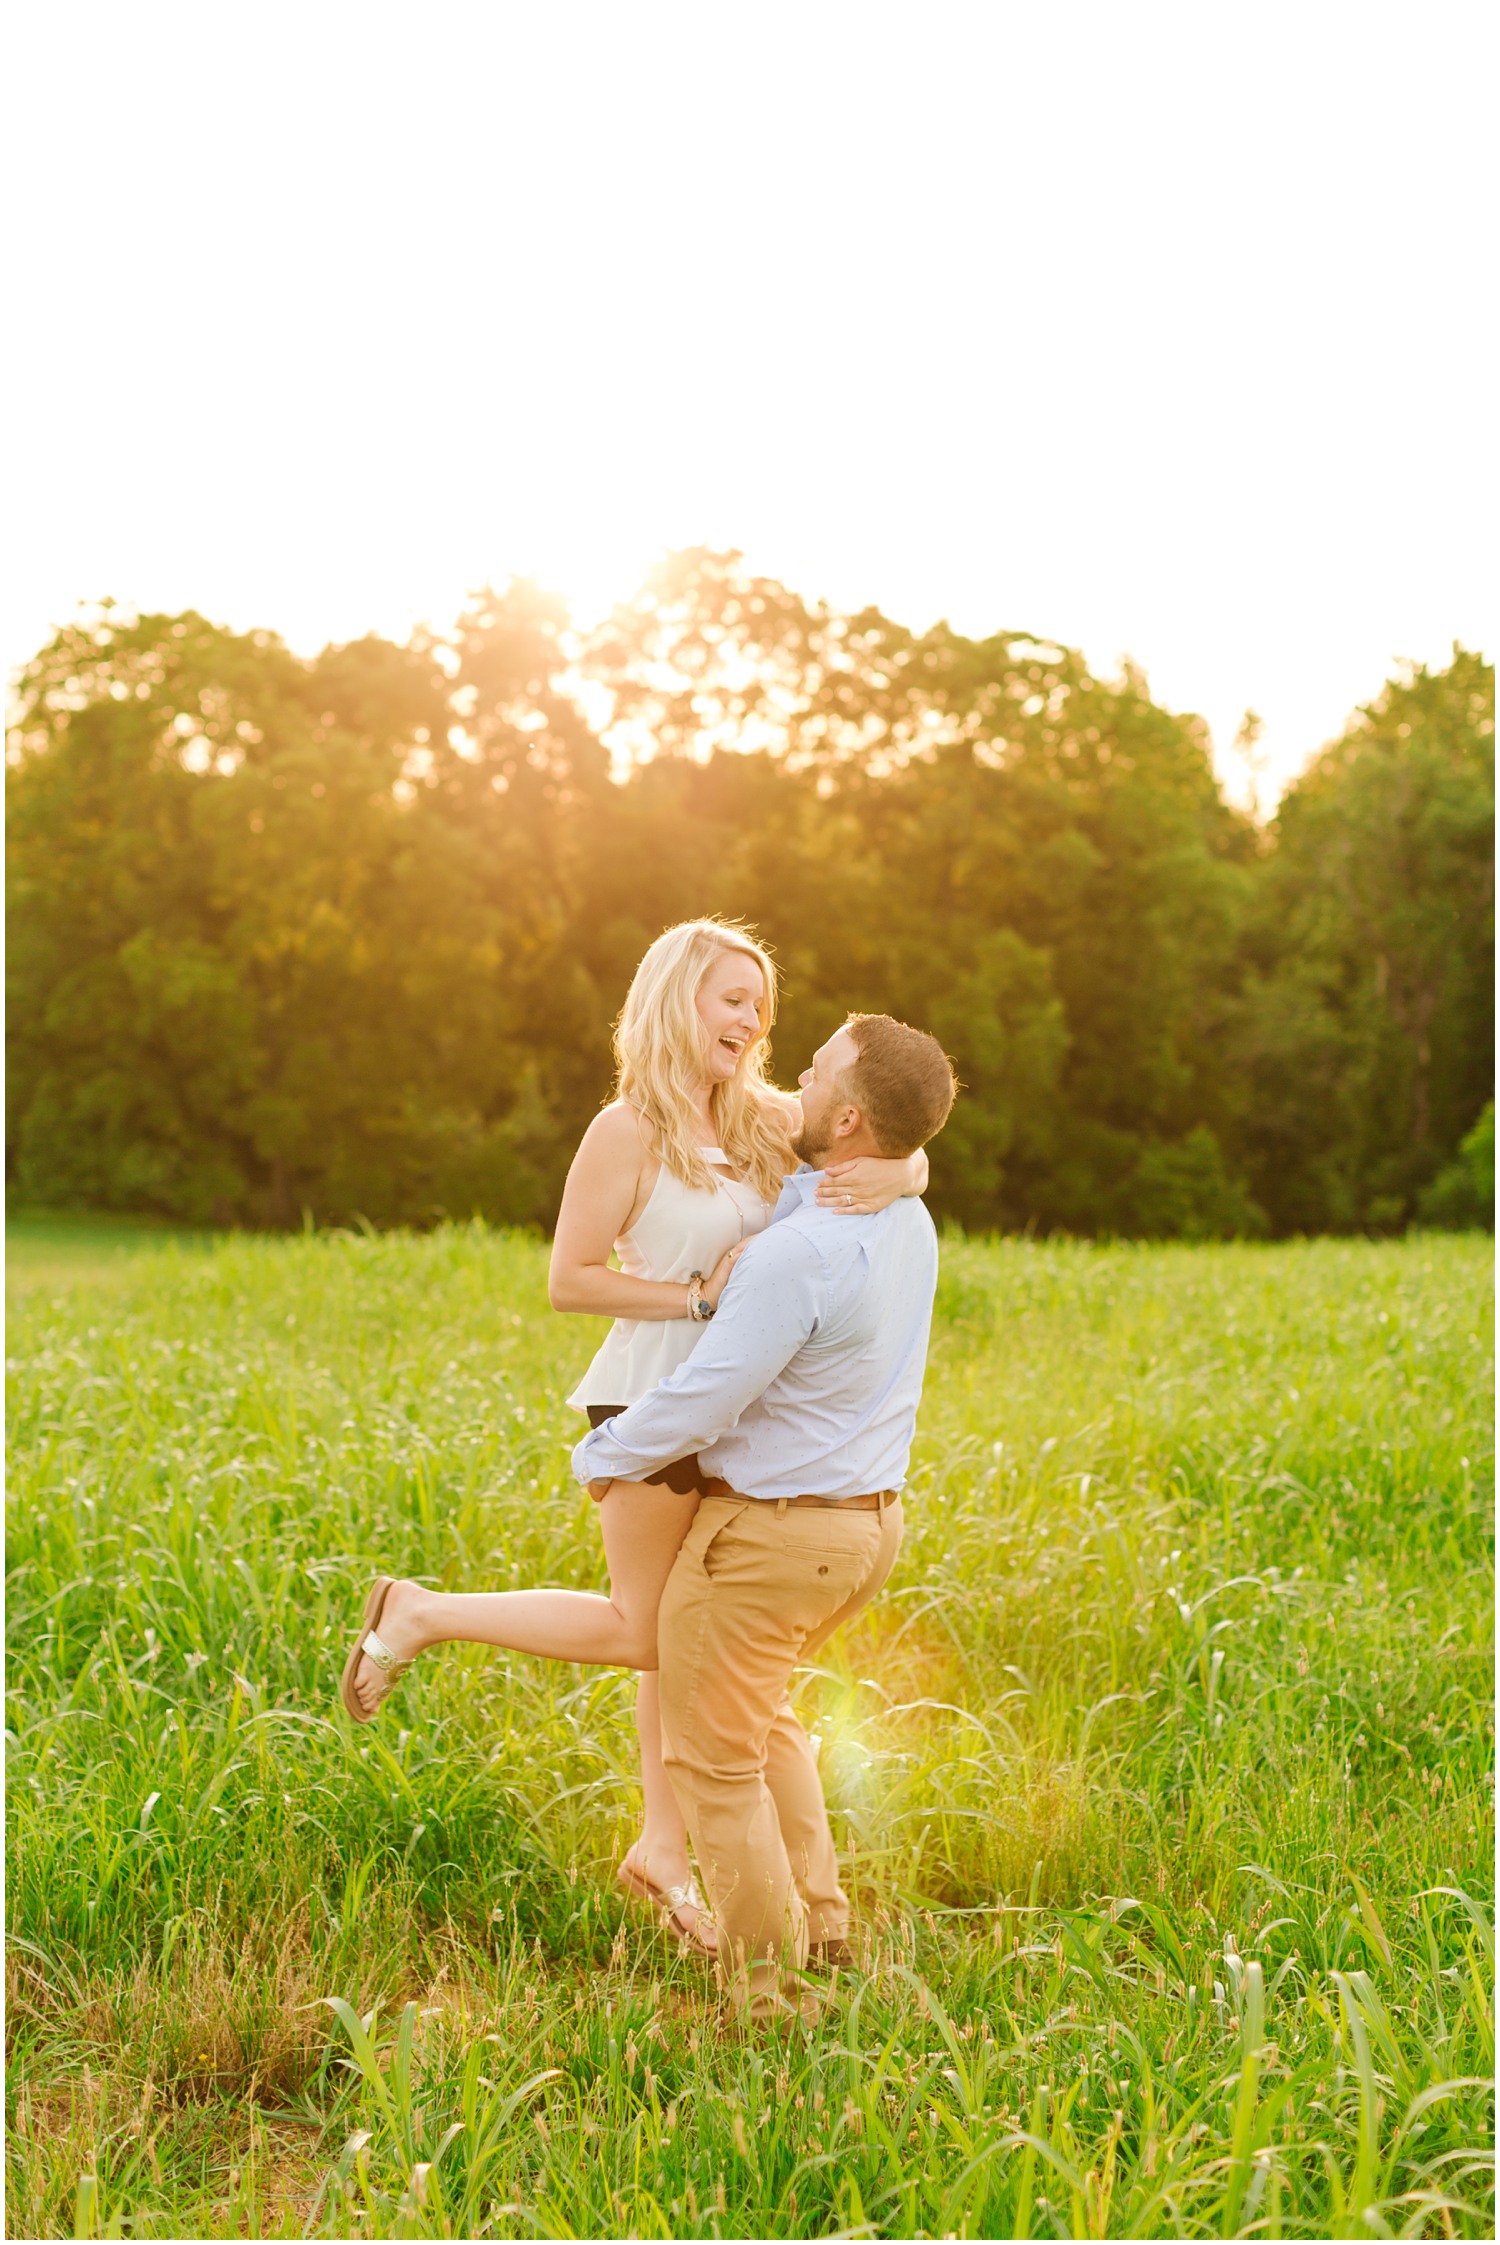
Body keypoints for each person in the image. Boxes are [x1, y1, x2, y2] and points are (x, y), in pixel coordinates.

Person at [339, 920, 926, 1953]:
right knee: (652, 1631)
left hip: (738, 1419)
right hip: (651, 1406)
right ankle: (424, 1612)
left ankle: (679, 1852)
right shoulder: (626, 1129)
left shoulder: (761, 1118)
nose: (749, 1021)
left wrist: (905, 1176)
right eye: (728, 999)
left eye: (760, 1004)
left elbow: (878, 1124)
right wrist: (695, 1297)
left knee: (714, 1658)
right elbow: (569, 1280)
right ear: (675, 1000)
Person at [574, 1011, 957, 2024]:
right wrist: (908, 1169)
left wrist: (604, 1451)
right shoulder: (903, 1219)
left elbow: (706, 1396)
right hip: (869, 1527)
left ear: (845, 1121)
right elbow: (879, 1156)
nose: (796, 1071)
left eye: (818, 1066)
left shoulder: (797, 1257)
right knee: (764, 1716)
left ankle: (769, 1992)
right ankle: (821, 1926)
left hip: (772, 1539)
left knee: (714, 1760)